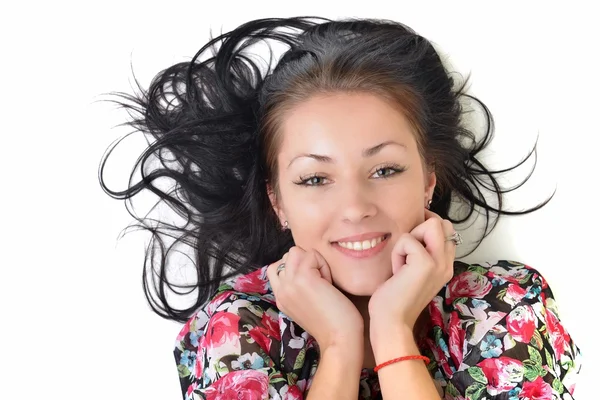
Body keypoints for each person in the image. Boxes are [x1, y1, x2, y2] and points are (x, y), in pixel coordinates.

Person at [99, 16, 581, 399]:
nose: (354, 207)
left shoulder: (504, 306)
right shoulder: (236, 330)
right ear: (277, 200)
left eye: (385, 170)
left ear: (429, 177)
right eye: (315, 179)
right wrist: (339, 348)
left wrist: (392, 334)